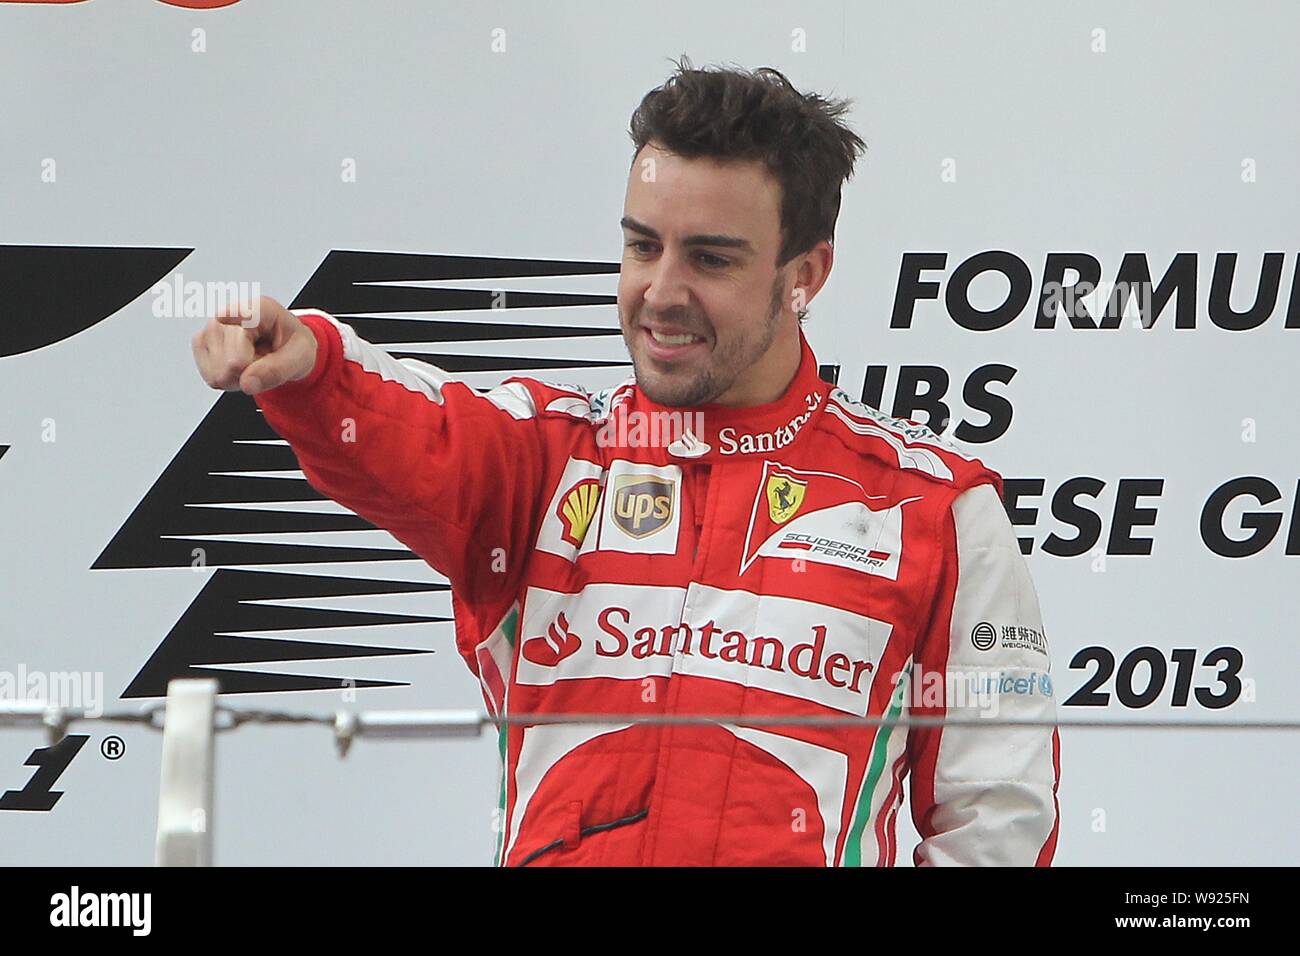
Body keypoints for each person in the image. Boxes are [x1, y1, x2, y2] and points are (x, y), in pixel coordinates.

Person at [191, 59, 1060, 866]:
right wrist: (311, 368)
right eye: (644, 246)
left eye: (710, 258)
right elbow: (415, 432)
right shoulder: (544, 459)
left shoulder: (934, 509)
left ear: (806, 275)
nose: (661, 292)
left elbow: (1000, 814)